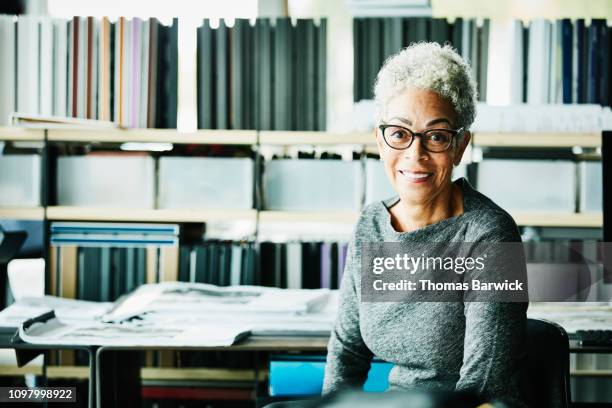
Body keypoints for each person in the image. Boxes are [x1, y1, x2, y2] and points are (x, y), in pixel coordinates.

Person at [322, 42, 528, 407]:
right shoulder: (371, 224)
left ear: (460, 146)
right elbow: (348, 352)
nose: (414, 156)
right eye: (399, 134)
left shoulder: (492, 236)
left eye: (436, 136)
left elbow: (486, 385)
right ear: (380, 141)